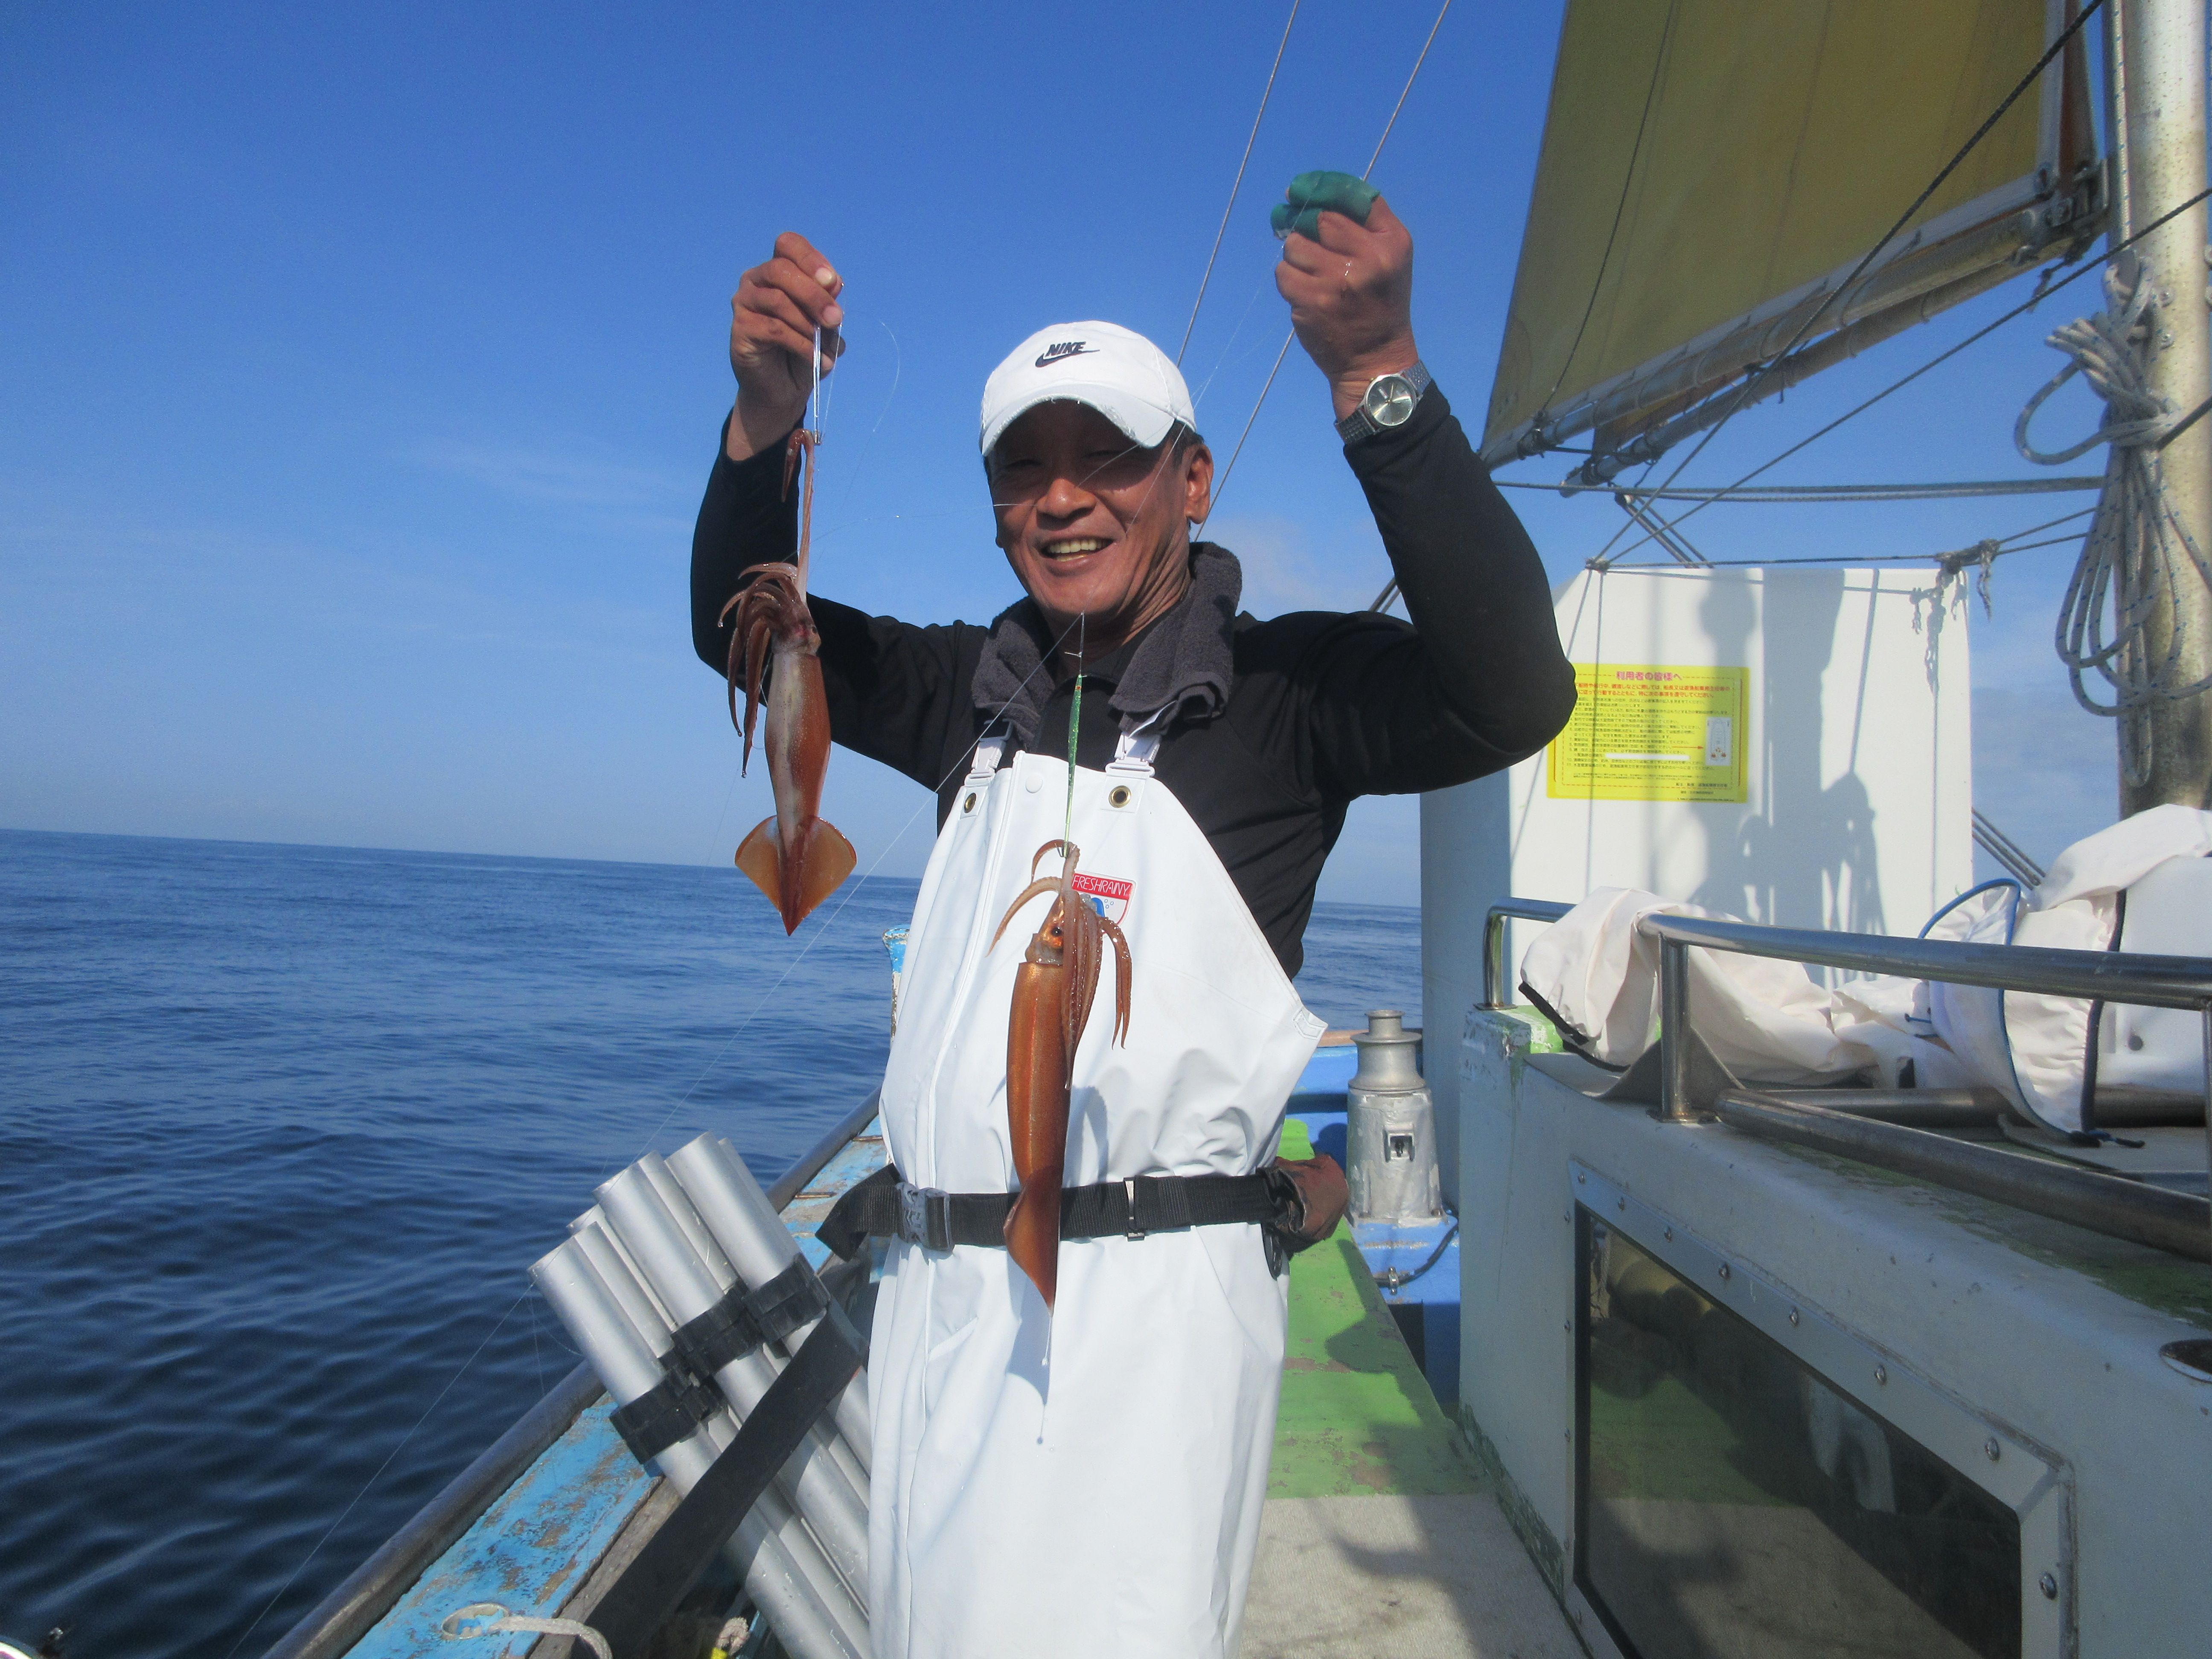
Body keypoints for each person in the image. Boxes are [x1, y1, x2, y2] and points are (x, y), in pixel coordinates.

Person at [691, 197, 1573, 1659]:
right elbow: (740, 625)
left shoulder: (1286, 702)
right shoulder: (967, 690)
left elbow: (1513, 694)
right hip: (935, 1315)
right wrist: (766, 426)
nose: (1063, 497)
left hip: (1141, 1337)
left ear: (1194, 481)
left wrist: (1381, 378)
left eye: (1108, 456)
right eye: (1023, 466)